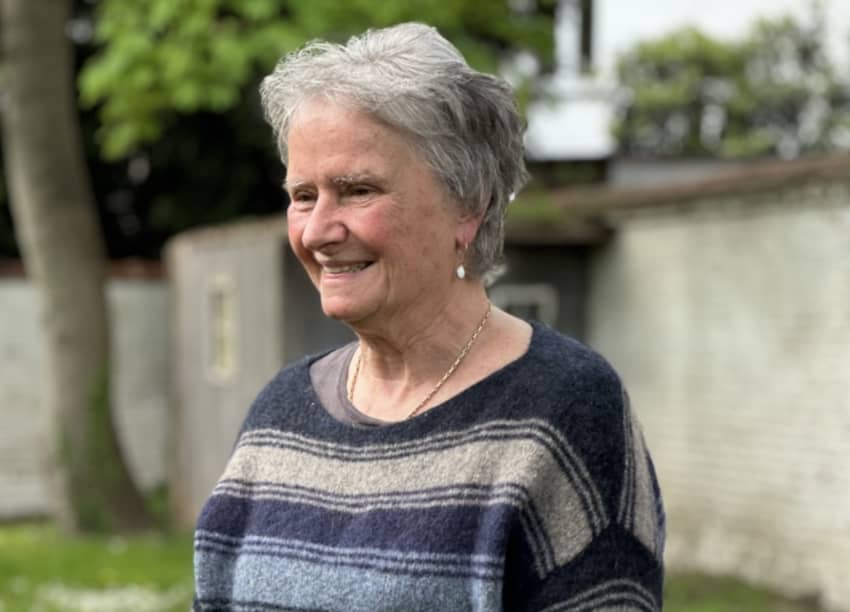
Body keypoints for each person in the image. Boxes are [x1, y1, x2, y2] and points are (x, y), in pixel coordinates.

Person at [193, 22, 664, 612]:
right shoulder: (280, 417)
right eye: (303, 196)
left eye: (357, 190)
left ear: (468, 206)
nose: (316, 232)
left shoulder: (565, 413)